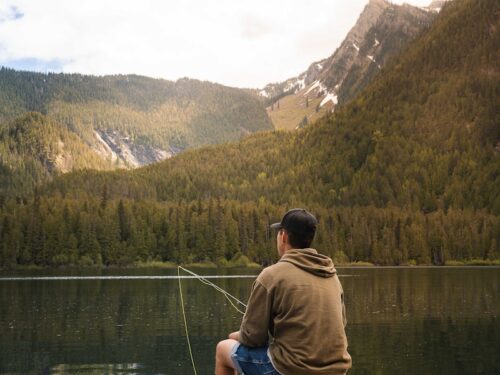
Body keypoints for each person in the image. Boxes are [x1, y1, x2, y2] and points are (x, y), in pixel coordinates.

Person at [215, 208, 352, 375]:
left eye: (279, 232)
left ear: (284, 236)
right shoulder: (332, 275)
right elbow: (341, 324)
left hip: (291, 369)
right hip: (337, 370)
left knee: (223, 349)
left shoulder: (271, 275)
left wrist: (237, 335)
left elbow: (253, 338)